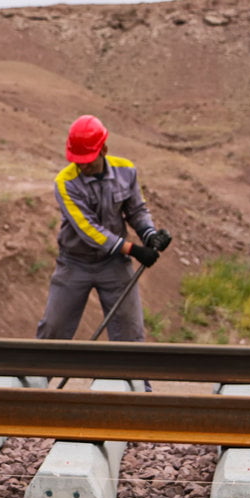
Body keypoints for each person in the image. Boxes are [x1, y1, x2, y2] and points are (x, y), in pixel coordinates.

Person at [35, 115, 171, 369]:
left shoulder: (126, 171)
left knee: (130, 335)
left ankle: (134, 392)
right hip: (74, 264)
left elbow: (136, 211)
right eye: (77, 161)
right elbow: (88, 230)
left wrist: (150, 235)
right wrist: (133, 249)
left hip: (113, 264)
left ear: (104, 150)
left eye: (86, 161)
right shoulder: (65, 182)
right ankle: (33, 387)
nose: (81, 166)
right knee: (53, 328)